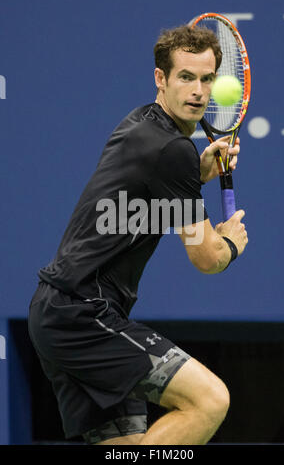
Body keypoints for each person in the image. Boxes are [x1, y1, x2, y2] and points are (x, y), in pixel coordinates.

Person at [28, 25, 248, 446]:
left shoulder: (142, 124)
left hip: (55, 313)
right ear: (160, 79)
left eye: (207, 79)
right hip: (83, 316)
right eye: (186, 77)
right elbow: (207, 258)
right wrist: (232, 243)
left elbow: (145, 200)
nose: (199, 91)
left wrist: (196, 175)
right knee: (209, 400)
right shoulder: (172, 151)